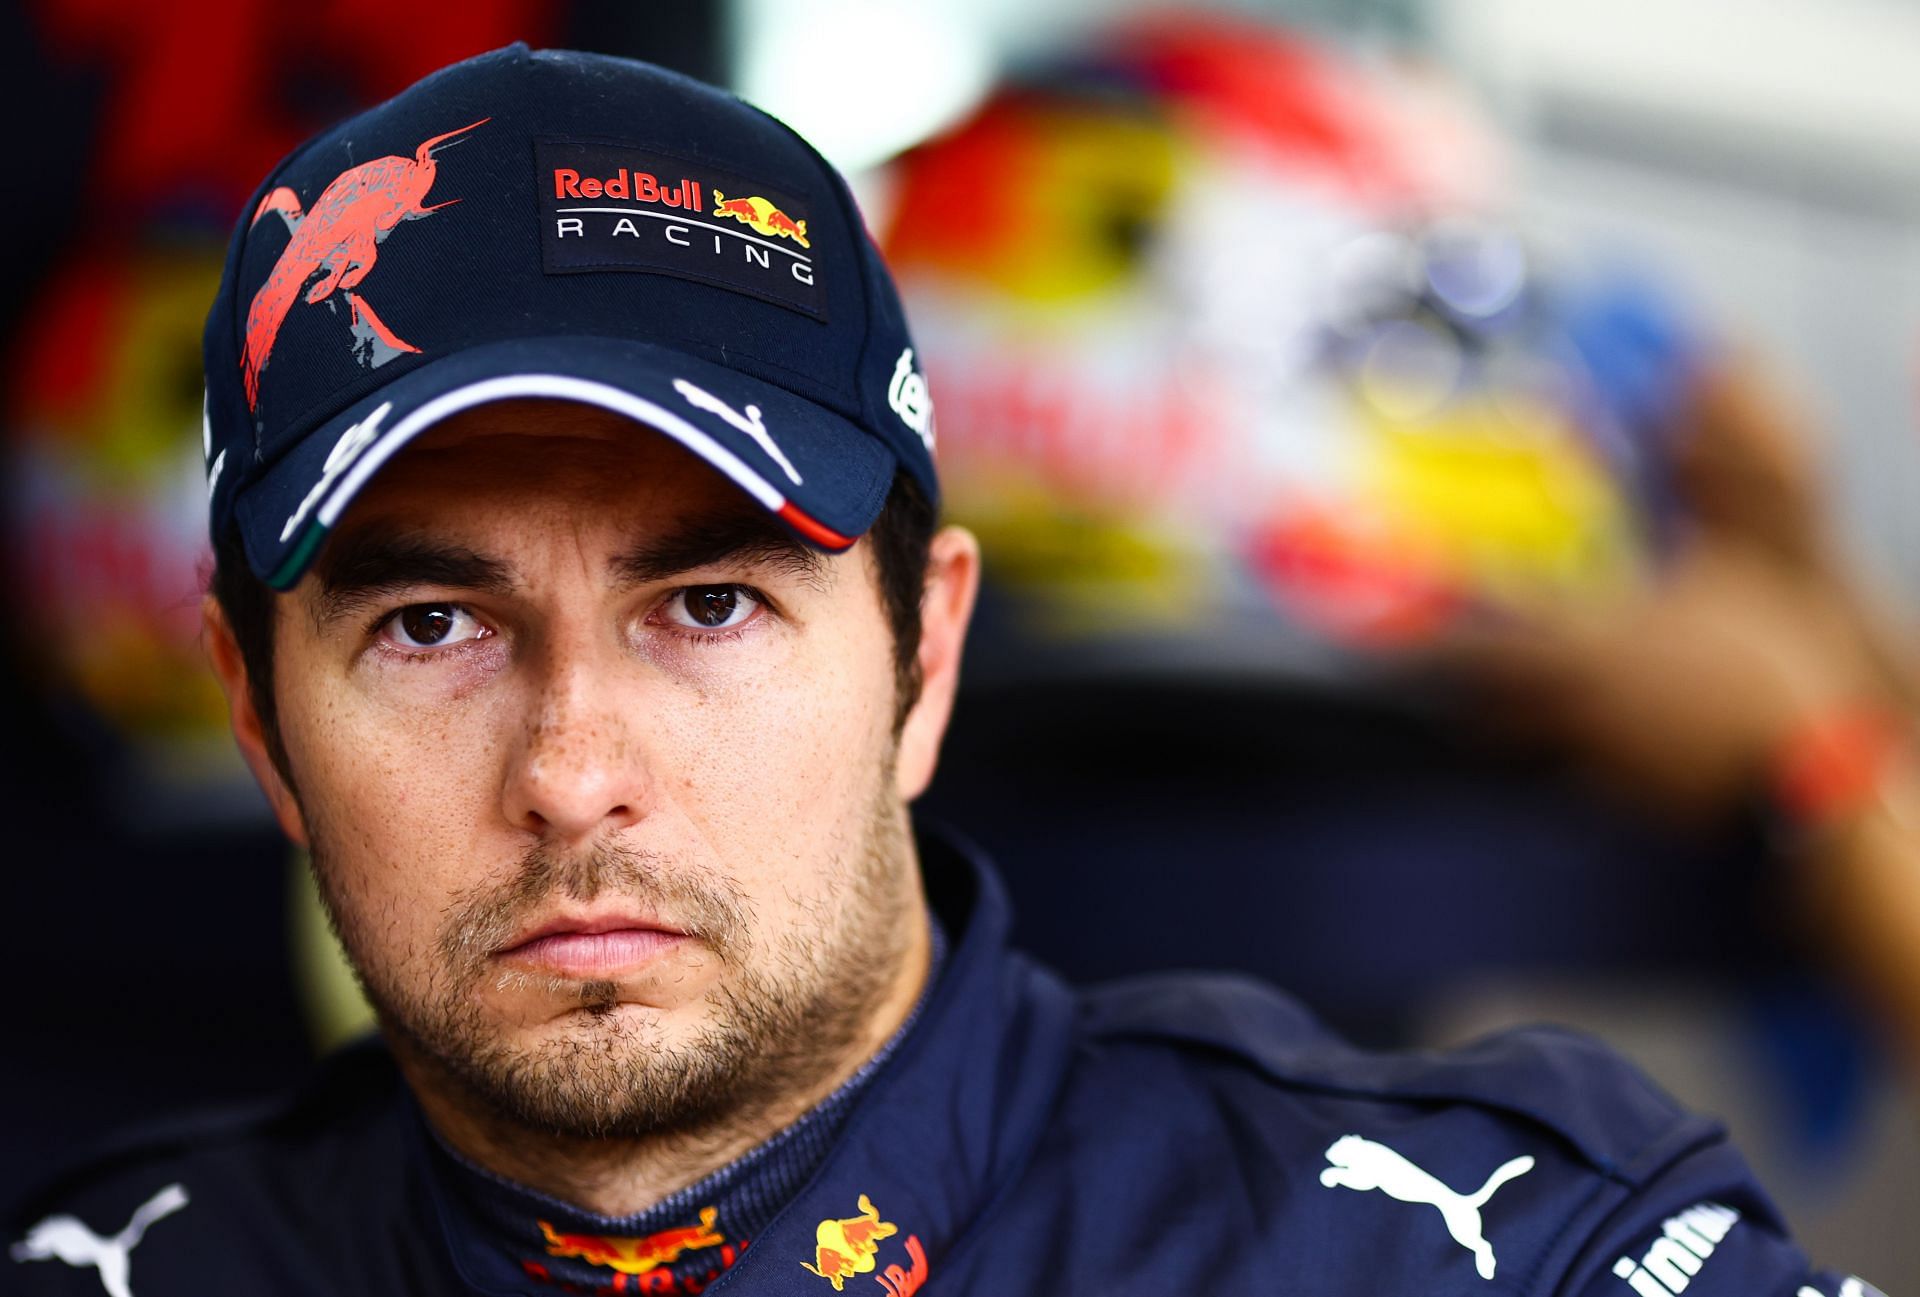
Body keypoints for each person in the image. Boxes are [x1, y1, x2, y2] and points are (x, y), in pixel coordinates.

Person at [6, 44, 1887, 1297]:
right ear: (261, 722)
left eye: (712, 605)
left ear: (926, 659)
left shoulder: (1481, 1248)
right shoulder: (108, 1269)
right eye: (433, 627)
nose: (573, 768)